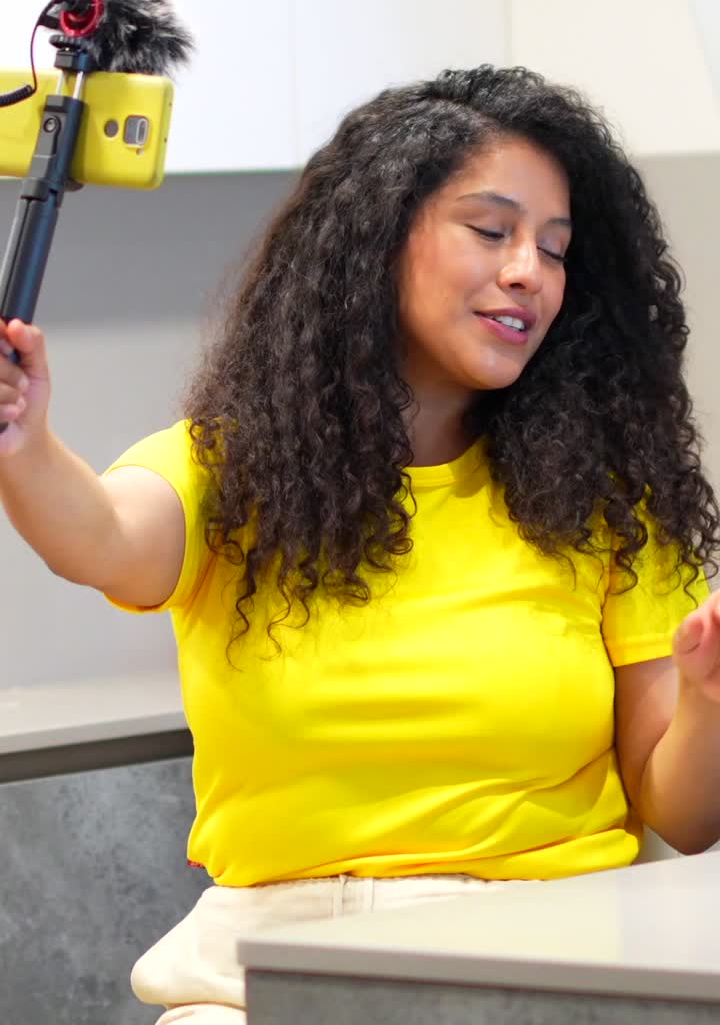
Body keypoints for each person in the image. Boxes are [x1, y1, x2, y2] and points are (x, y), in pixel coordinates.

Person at [2, 64, 720, 1023]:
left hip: (535, 964)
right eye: (491, 230)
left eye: (555, 249)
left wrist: (708, 701)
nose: (529, 274)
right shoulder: (229, 469)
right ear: (381, 240)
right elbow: (98, 537)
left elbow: (684, 811)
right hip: (260, 972)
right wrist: (24, 439)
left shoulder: (607, 504)